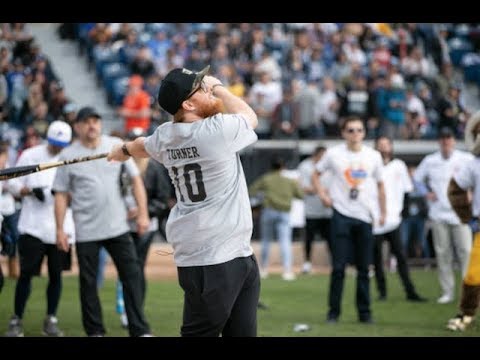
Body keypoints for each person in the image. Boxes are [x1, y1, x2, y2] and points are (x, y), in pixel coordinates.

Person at [107, 65, 261, 337]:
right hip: (213, 258)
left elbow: (143, 144)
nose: (207, 88)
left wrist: (123, 149)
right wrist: (219, 88)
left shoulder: (165, 136)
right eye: (200, 88)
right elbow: (249, 116)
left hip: (233, 251)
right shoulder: (216, 130)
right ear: (188, 104)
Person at [52, 106, 152, 337]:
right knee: (88, 284)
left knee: (132, 277)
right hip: (86, 230)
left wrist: (143, 213)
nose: (92, 125)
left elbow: (136, 180)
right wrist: (60, 229)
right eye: (86, 121)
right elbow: (60, 195)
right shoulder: (68, 155)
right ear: (77, 126)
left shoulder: (115, 146)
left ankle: (140, 330)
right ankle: (95, 331)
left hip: (117, 226)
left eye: (95, 120)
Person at [312, 116, 386, 324]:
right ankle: (333, 313)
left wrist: (383, 212)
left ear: (364, 133)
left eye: (359, 130)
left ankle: (365, 313)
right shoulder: (333, 154)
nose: (355, 134)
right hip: (341, 215)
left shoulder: (373, 156)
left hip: (365, 216)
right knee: (338, 268)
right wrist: (323, 195)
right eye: (351, 130)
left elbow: (380, 185)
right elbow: (315, 175)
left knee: (364, 268)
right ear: (343, 133)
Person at [4, 121, 75, 337]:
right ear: (49, 139)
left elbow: (80, 190)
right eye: (54, 143)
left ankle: (51, 319)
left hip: (61, 227)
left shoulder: (72, 157)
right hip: (33, 225)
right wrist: (28, 190)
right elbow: (12, 183)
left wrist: (64, 196)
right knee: (25, 274)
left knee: (56, 275)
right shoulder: (30, 155)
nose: (57, 148)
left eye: (61, 144)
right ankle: (16, 319)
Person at [413, 126, 473, 304]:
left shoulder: (465, 159)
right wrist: (426, 193)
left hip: (461, 213)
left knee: (465, 252)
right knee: (443, 253)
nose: (446, 142)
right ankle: (447, 292)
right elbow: (417, 179)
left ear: (454, 141)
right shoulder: (430, 161)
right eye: (443, 139)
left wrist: (472, 192)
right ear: (439, 141)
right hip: (438, 213)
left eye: (449, 138)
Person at [371, 136, 426, 302]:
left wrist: (403, 214)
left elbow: (407, 190)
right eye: (380, 145)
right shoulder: (372, 165)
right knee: (377, 259)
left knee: (401, 257)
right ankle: (382, 292)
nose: (383, 148)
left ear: (391, 147)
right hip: (375, 219)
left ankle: (410, 291)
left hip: (394, 219)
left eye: (386, 144)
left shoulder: (399, 166)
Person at [446, 110, 480, 331]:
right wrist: (468, 217)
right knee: (473, 274)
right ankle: (466, 314)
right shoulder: (474, 164)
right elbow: (456, 189)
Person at [249, 157, 304, 281]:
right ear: (283, 167)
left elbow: (251, 190)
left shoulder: (266, 178)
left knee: (266, 241)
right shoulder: (290, 181)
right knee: (285, 242)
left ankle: (263, 270)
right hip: (284, 213)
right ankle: (287, 271)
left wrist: (262, 199)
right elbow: (300, 195)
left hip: (269, 211)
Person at [297, 145, 332, 274]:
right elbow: (302, 186)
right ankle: (307, 263)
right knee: (309, 239)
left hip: (328, 211)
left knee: (332, 239)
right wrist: (319, 190)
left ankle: (334, 263)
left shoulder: (330, 166)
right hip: (311, 211)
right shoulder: (305, 166)